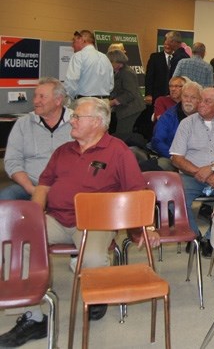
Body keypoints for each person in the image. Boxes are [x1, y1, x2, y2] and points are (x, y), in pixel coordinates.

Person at [0, 97, 158, 347]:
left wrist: (145, 228)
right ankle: (33, 316)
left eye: (77, 117)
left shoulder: (117, 151)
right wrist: (34, 216)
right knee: (17, 245)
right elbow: (43, 185)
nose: (71, 120)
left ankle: (97, 295)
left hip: (96, 222)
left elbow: (136, 192)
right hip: (57, 218)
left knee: (93, 259)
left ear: (96, 122)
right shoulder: (64, 150)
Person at [170, 87, 214, 255]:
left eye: (207, 101)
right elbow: (176, 158)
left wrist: (212, 169)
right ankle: (193, 236)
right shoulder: (186, 124)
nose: (200, 104)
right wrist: (198, 172)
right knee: (174, 198)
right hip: (191, 175)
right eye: (200, 100)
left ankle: (210, 237)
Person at [1, 78, 73, 200]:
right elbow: (12, 161)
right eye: (35, 96)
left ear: (58, 100)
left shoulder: (76, 122)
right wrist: (31, 189)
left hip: (67, 186)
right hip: (31, 185)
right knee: (5, 198)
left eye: (42, 97)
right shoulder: (23, 123)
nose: (36, 101)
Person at [150, 81, 201, 170]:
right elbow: (157, 141)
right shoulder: (168, 116)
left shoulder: (206, 116)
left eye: (193, 97)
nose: (188, 100)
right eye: (185, 96)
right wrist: (174, 157)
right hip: (172, 157)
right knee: (162, 164)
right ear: (181, 97)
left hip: (200, 159)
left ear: (200, 99)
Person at [64, 30, 114, 100]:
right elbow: (111, 84)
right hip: (104, 102)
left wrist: (70, 98)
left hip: (85, 102)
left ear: (81, 40)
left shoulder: (78, 56)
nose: (72, 45)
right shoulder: (104, 57)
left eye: (74, 41)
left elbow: (71, 81)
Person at [106, 50, 145, 135]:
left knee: (122, 134)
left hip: (130, 109)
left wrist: (112, 102)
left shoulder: (127, 73)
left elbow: (131, 93)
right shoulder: (119, 72)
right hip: (125, 108)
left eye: (110, 62)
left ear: (117, 62)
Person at [145, 31, 185, 104]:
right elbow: (149, 77)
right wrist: (148, 94)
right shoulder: (155, 57)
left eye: (169, 44)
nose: (167, 46)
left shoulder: (178, 58)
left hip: (173, 96)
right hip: (157, 95)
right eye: (165, 44)